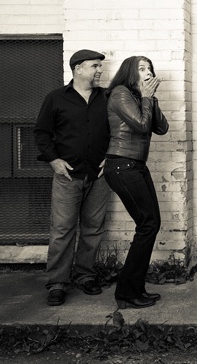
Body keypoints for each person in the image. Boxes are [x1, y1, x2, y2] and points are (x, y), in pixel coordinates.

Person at [34, 49, 111, 306]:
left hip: (98, 175)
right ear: (78, 68)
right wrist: (54, 161)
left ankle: (85, 275)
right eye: (94, 66)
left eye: (100, 66)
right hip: (68, 175)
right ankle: (57, 282)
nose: (99, 70)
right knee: (63, 230)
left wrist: (110, 157)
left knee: (93, 228)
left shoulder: (107, 98)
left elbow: (119, 132)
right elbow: (42, 133)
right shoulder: (56, 98)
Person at [103, 56, 169, 309]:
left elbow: (161, 128)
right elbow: (142, 126)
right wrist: (146, 97)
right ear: (130, 72)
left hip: (136, 166)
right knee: (147, 224)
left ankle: (134, 288)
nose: (148, 72)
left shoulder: (139, 96)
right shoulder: (120, 93)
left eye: (150, 68)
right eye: (142, 69)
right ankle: (126, 293)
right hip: (122, 166)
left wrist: (151, 97)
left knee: (151, 223)